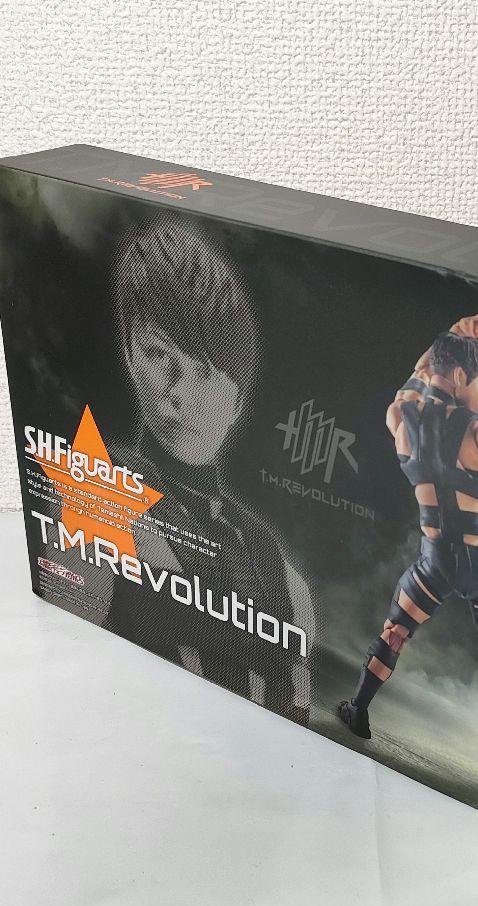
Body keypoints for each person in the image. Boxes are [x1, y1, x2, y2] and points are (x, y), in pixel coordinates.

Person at [337, 307, 478, 813]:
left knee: (394, 633)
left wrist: (452, 334)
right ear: (461, 378)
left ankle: (358, 711)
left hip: (434, 561)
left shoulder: (400, 420)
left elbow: (422, 374)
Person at [108, 216, 314, 723]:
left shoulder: (279, 569)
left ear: (237, 400)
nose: (178, 390)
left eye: (204, 370)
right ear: (131, 355)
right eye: (157, 354)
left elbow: (297, 709)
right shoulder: (100, 490)